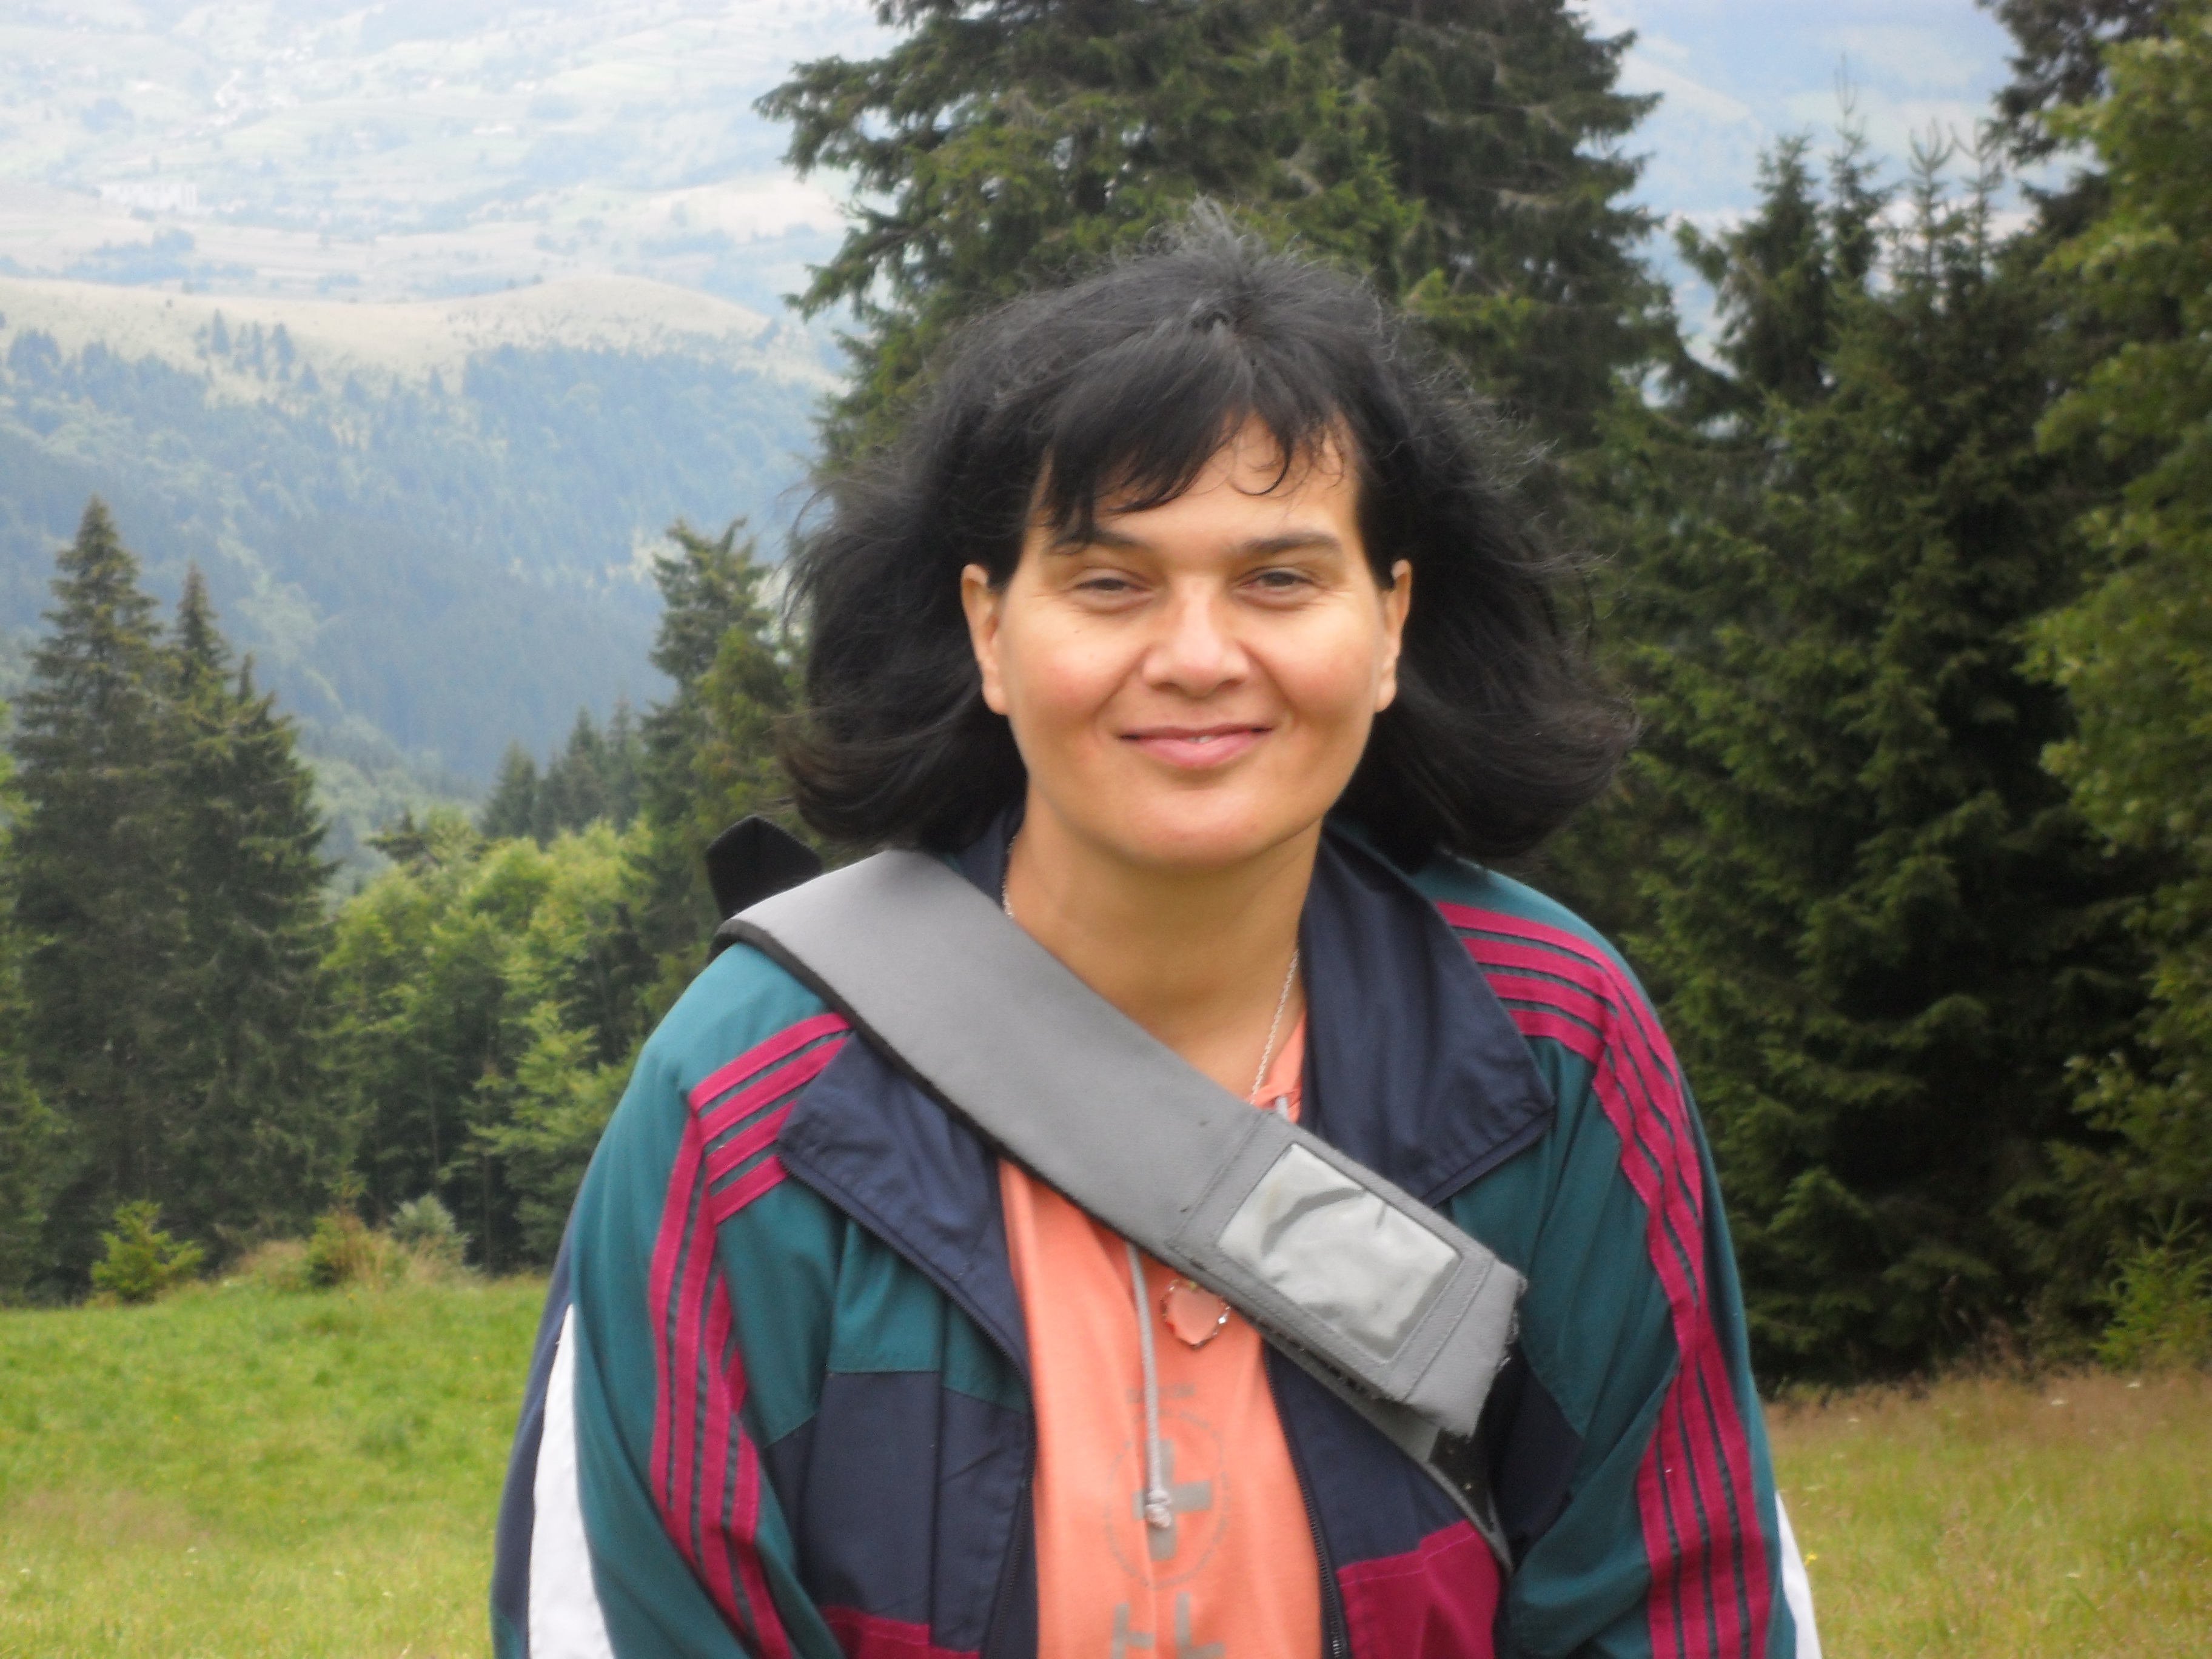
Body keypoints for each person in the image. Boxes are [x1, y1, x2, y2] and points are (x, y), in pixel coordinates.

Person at [492, 220, 1820, 1659]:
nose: (1195, 657)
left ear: (1390, 624)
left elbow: (1680, 1605)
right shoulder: (752, 1094)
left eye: (1279, 579)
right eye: (1111, 583)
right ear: (990, 630)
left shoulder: (1549, 1045)